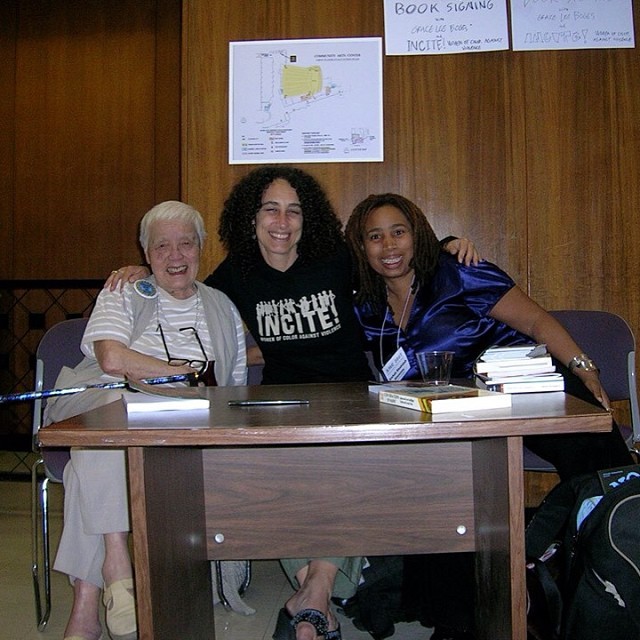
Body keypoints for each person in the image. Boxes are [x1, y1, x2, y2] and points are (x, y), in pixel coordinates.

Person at [106, 166, 480, 640]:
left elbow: (395, 259)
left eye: (293, 210)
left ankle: (310, 596)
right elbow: (182, 287)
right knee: (272, 474)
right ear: (251, 217)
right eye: (270, 209)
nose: (282, 221)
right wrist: (141, 270)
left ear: (308, 220)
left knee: (346, 468)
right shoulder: (236, 274)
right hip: (279, 400)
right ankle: (315, 595)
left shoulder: (335, 258)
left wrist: (447, 244)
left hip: (350, 395)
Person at [344, 192, 635, 639]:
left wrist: (583, 366)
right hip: (458, 412)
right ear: (361, 247)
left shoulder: (459, 272)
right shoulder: (367, 305)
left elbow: (537, 322)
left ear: (416, 233)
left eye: (398, 232)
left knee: (602, 470)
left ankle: (617, 580)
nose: (389, 246)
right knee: (440, 486)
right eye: (375, 236)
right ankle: (460, 617)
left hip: (526, 387)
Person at [48, 201, 247, 640]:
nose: (175, 256)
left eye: (185, 244)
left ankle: (88, 603)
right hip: (112, 407)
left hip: (188, 424)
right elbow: (112, 357)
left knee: (89, 468)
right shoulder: (125, 290)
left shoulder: (222, 307)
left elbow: (233, 387)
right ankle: (117, 563)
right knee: (110, 422)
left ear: (200, 249)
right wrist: (184, 371)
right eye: (162, 246)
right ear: (146, 253)